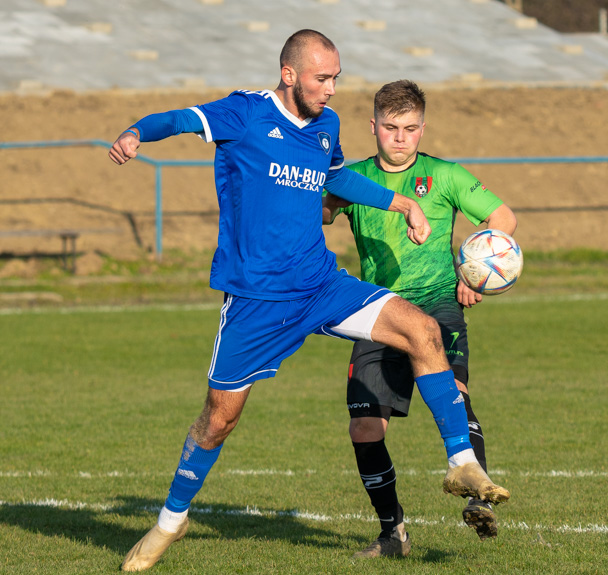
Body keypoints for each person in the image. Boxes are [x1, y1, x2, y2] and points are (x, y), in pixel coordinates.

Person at [108, 30, 509, 572]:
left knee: (423, 331)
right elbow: (180, 119)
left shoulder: (326, 125)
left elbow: (338, 177)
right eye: (324, 78)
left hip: (321, 286)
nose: (333, 89)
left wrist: (401, 205)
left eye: (337, 77)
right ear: (290, 74)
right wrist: (136, 133)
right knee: (219, 419)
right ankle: (170, 521)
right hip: (257, 302)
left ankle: (461, 461)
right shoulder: (244, 114)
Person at [322, 79, 518, 558]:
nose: (401, 137)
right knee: (364, 428)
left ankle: (479, 498)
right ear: (373, 127)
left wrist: (472, 276)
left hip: (436, 303)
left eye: (410, 128)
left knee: (457, 392)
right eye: (390, 128)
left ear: (422, 128)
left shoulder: (445, 175)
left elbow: (502, 217)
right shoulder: (354, 178)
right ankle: (393, 534)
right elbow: (317, 215)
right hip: (377, 309)